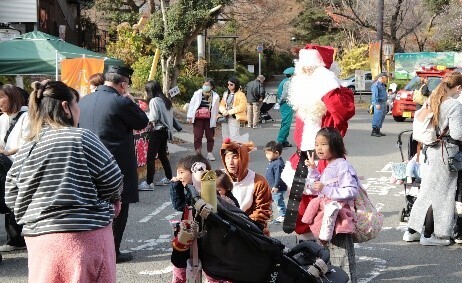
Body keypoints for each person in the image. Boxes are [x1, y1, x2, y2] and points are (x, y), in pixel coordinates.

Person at [5, 81, 123, 282]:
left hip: (41, 241)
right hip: (86, 236)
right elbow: (113, 181)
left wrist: (35, 214)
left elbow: (11, 195)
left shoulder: (27, 148)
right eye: (76, 104)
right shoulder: (82, 138)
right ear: (65, 107)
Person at [280, 45, 355, 239]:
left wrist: (327, 83)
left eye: (311, 69)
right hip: (302, 156)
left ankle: (324, 251)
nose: (306, 74)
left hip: (325, 160)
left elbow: (343, 112)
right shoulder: (303, 96)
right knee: (298, 210)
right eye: (304, 69)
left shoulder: (334, 92)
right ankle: (304, 249)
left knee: (324, 209)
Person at [78, 66, 149, 263]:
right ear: (123, 84)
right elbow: (142, 121)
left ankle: (90, 250)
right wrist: (131, 101)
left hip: (86, 162)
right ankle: (112, 251)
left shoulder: (84, 100)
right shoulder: (120, 102)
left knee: (91, 206)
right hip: (115, 164)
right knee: (118, 209)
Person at [403, 74, 462, 246]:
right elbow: (458, 134)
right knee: (441, 195)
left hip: (430, 151)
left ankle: (412, 231)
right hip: (446, 153)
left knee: (426, 193)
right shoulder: (454, 105)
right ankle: (430, 235)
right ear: (458, 88)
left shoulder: (432, 100)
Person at [303, 127, 359, 282]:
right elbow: (318, 188)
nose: (319, 148)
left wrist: (325, 188)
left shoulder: (342, 165)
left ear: (334, 145)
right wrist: (313, 171)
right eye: (316, 144)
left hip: (340, 220)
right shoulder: (329, 165)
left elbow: (351, 190)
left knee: (342, 258)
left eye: (323, 144)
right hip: (328, 219)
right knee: (330, 258)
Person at [169, 153, 211, 283]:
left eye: (181, 172)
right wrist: (176, 186)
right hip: (186, 234)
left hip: (204, 236)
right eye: (177, 173)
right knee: (179, 260)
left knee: (209, 264)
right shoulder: (189, 190)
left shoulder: (206, 189)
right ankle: (179, 279)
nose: (179, 176)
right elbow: (179, 205)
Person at [220, 138, 272, 235]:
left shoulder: (258, 181)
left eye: (235, 157)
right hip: (223, 227)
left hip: (249, 229)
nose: (230, 162)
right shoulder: (219, 178)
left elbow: (262, 212)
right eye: (227, 157)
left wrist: (241, 225)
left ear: (244, 159)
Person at [0, 84, 29, 252]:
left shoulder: (27, 116)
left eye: (1, 97)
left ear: (12, 98)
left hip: (20, 165)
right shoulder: (2, 118)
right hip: (5, 166)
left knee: (16, 201)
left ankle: (19, 239)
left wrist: (7, 151)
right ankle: (14, 238)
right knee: (7, 199)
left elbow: (29, 141)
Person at [139, 80, 181, 191]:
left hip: (157, 131)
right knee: (162, 155)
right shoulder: (165, 100)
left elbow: (153, 118)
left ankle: (149, 183)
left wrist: (145, 113)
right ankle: (169, 177)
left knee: (150, 157)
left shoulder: (153, 101)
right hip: (165, 131)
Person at [187, 78, 220, 161]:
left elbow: (216, 108)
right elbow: (192, 105)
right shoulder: (197, 93)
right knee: (198, 136)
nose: (205, 86)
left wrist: (216, 118)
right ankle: (198, 153)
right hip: (198, 118)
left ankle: (209, 153)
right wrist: (190, 117)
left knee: (210, 136)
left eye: (207, 85)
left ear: (212, 87)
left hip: (210, 118)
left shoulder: (215, 96)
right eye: (204, 85)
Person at [264, 141, 287, 224]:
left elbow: (278, 176)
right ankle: (269, 215)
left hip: (277, 188)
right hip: (272, 187)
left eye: (268, 153)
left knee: (278, 201)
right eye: (266, 153)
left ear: (276, 153)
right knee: (269, 201)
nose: (266, 156)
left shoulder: (278, 164)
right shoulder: (274, 161)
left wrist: (276, 186)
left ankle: (283, 215)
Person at [219, 77, 247, 141]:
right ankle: (227, 149)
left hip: (234, 117)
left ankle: (235, 150)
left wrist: (229, 112)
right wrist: (223, 111)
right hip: (225, 117)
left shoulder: (241, 94)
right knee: (225, 135)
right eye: (228, 84)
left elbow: (242, 106)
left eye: (231, 84)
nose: (229, 86)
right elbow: (222, 104)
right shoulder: (226, 94)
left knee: (234, 135)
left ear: (236, 85)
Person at [276, 67, 294, 147]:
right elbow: (284, 94)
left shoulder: (284, 81)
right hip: (286, 104)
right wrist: (278, 102)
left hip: (285, 104)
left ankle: (284, 140)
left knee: (286, 122)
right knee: (286, 123)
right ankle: (280, 140)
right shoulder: (288, 82)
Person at [371, 72, 388, 137]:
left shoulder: (382, 85)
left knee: (381, 117)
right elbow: (375, 95)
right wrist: (376, 103)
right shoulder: (376, 85)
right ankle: (374, 131)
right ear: (381, 78)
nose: (386, 79)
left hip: (383, 102)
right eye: (385, 78)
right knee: (377, 117)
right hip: (379, 103)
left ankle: (378, 130)